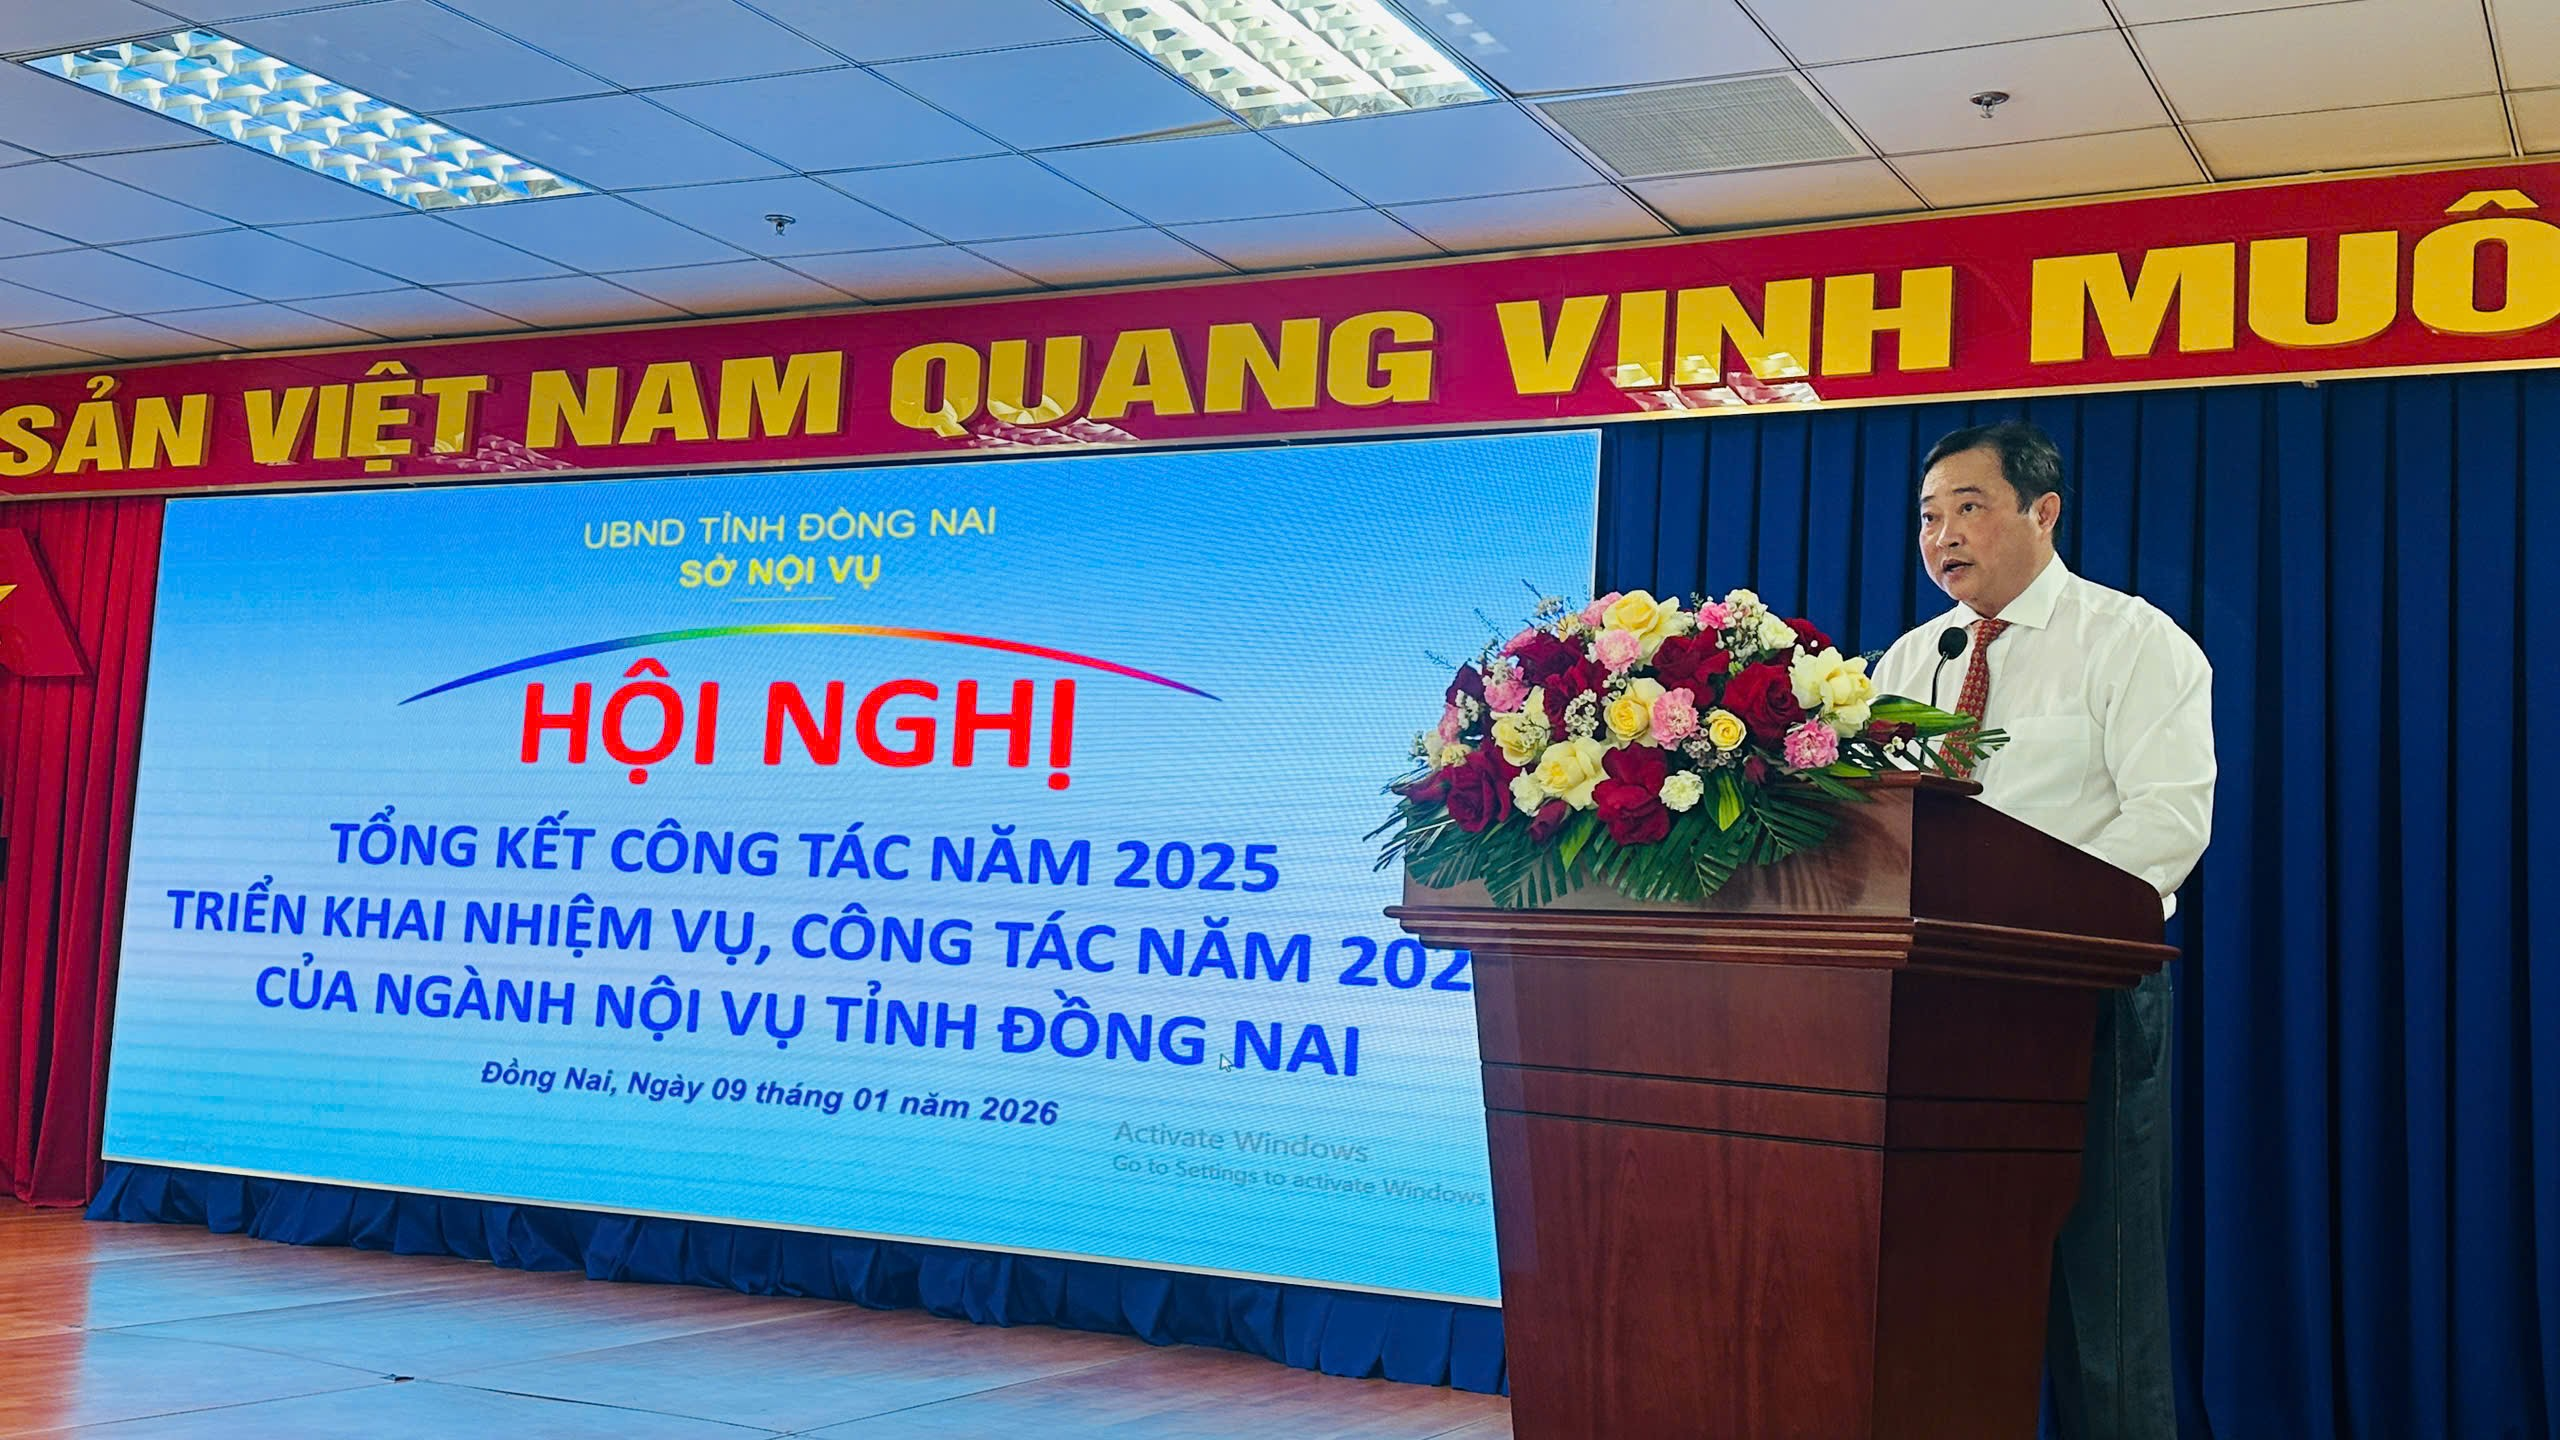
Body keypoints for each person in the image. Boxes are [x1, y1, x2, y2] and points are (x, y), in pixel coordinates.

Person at [1870, 420, 2215, 1440]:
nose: (1942, 536)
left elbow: (2167, 822)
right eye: (1927, 516)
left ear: (2042, 511)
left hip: (2078, 999)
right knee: (1942, 1286)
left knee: (2102, 1294)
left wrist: (2034, 924)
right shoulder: (1913, 658)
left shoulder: (2131, 640)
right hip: (1929, 1001)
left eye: (1967, 508)